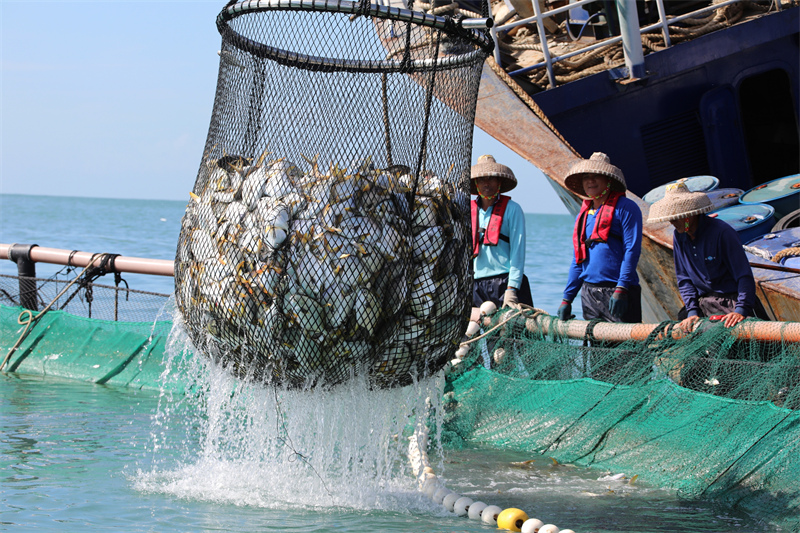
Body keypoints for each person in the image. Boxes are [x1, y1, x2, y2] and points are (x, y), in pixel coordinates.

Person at [647, 178, 766, 330]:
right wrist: (692, 311)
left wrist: (740, 310)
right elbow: (684, 279)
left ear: (689, 214)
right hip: (705, 303)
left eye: (675, 216)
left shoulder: (722, 233)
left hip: (733, 301)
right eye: (670, 217)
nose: (672, 222)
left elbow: (744, 275)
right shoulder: (679, 235)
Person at [557, 152, 643, 323]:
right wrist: (567, 299)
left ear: (609, 180)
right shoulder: (582, 215)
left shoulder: (627, 208)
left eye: (596, 176)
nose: (591, 181)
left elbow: (631, 251)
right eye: (586, 177)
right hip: (589, 294)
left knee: (626, 349)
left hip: (619, 292)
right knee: (595, 349)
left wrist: (621, 288)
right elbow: (578, 259)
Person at [470, 154, 533, 310]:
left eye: (491, 178)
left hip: (504, 282)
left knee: (511, 332)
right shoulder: (467, 210)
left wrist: (512, 288)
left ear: (499, 182)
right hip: (476, 284)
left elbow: (518, 252)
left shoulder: (513, 209)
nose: (486, 183)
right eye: (482, 179)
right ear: (476, 183)